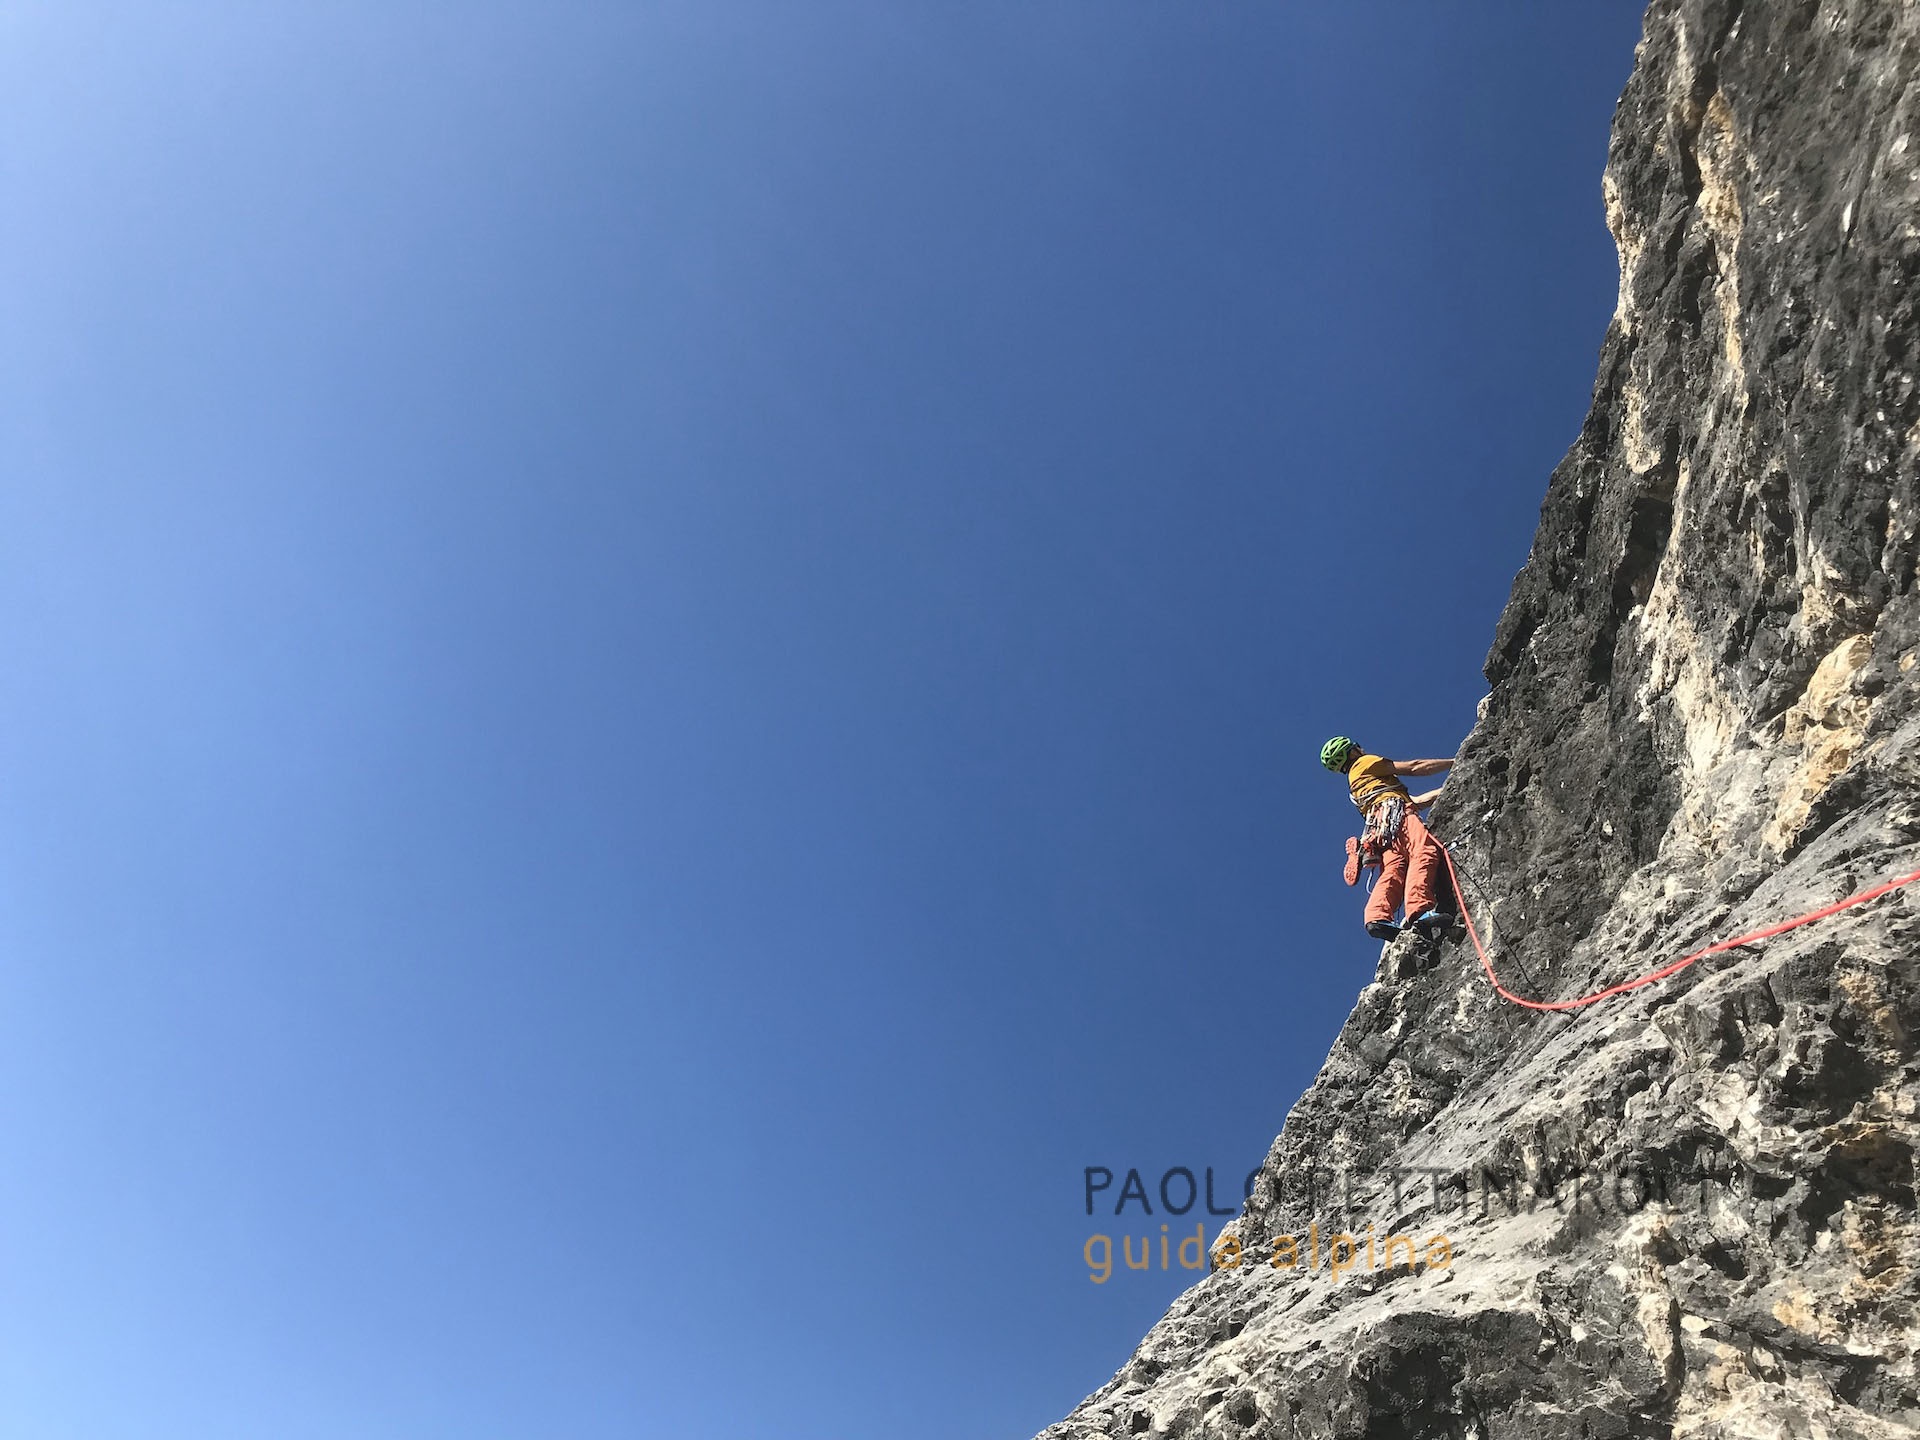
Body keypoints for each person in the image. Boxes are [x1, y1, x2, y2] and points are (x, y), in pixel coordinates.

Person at [1319, 736, 1452, 943]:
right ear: (1352, 752)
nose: (1360, 748)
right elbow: (1415, 767)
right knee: (1423, 850)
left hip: (1382, 830)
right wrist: (1455, 762)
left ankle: (1376, 916)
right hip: (1398, 815)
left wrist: (1448, 789)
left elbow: (1415, 802)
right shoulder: (1364, 762)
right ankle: (1420, 909)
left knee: (1395, 870)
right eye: (1356, 747)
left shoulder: (1356, 785)